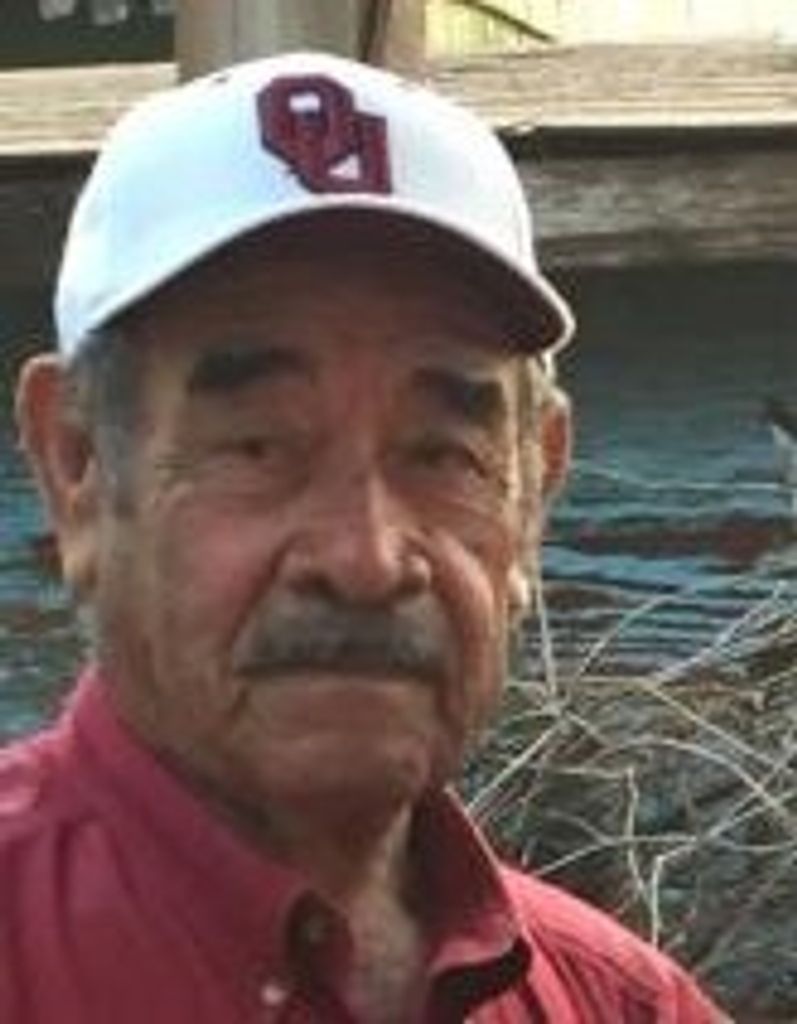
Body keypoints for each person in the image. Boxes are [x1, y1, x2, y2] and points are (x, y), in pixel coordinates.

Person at [2, 52, 725, 1023]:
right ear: (78, 467)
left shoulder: (624, 1005)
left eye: (440, 454)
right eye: (258, 446)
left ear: (533, 491)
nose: (366, 560)